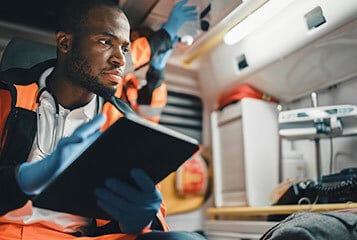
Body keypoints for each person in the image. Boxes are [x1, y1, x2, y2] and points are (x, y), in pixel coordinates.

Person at [0, 0, 206, 239]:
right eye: (106, 42)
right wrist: (20, 180)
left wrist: (146, 219)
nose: (120, 60)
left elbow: (152, 216)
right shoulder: (7, 93)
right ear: (65, 43)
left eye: (125, 49)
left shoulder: (125, 123)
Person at [122, 0, 198, 123]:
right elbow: (123, 62)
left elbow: (149, 117)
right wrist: (163, 38)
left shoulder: (128, 85)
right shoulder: (110, 67)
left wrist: (156, 74)